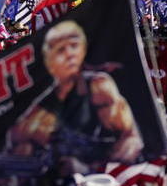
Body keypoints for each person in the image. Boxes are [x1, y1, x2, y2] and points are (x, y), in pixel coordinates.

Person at [9, 21, 144, 164]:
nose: (70, 54)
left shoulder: (98, 86)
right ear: (49, 62)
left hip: (102, 173)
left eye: (74, 46)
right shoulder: (40, 110)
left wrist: (94, 166)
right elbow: (17, 142)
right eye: (61, 50)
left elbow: (130, 138)